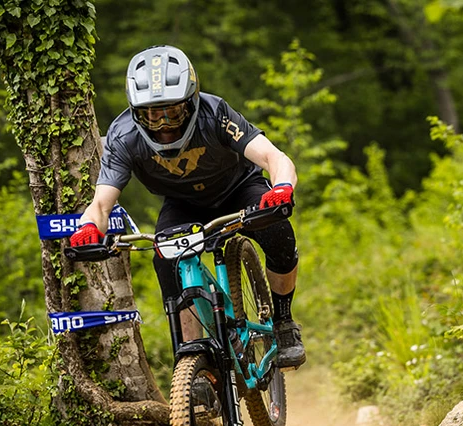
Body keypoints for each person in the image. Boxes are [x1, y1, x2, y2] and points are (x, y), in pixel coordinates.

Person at [69, 45, 305, 368]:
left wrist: (280, 188)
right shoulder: (123, 137)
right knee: (165, 261)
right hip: (183, 203)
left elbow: (273, 157)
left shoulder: (216, 114)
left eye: (172, 112)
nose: (163, 125)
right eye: (153, 114)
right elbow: (100, 203)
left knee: (277, 230)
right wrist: (88, 227)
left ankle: (283, 322)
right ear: (137, 113)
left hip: (238, 188)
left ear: (191, 102)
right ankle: (193, 355)